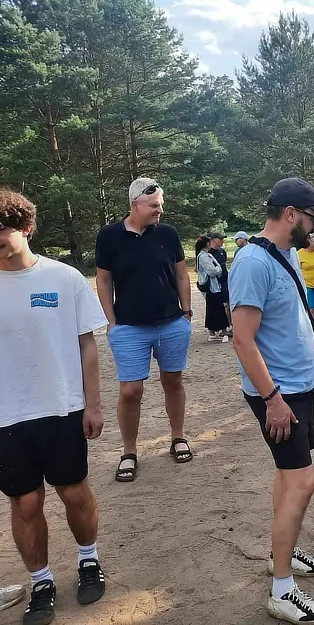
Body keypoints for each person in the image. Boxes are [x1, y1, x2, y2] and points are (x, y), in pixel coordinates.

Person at [0, 186, 108, 625]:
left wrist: (93, 405)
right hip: (2, 415)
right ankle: (41, 582)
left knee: (74, 492)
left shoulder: (64, 278)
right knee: (25, 503)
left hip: (62, 407)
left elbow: (87, 345)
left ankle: (89, 559)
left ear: (25, 226)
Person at [229, 177, 314, 625]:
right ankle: (282, 591)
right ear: (290, 214)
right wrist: (272, 398)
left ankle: (282, 556)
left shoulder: (285, 252)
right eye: (311, 219)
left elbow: (289, 322)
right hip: (279, 394)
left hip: (295, 386)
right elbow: (242, 338)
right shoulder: (253, 262)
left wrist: (310, 371)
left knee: (287, 476)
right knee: (302, 482)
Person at [95, 177, 194, 483]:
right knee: (130, 391)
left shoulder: (168, 233)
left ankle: (178, 436)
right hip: (129, 327)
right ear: (135, 204)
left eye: (160, 205)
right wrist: (111, 321)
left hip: (172, 323)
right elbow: (103, 280)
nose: (159, 210)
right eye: (154, 205)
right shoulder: (109, 236)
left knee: (173, 382)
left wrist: (187, 314)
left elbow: (181, 274)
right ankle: (129, 451)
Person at [196, 236, 229, 343]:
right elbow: (212, 271)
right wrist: (219, 269)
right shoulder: (203, 256)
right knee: (219, 308)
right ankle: (223, 331)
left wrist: (217, 268)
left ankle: (212, 333)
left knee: (212, 309)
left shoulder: (207, 255)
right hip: (211, 287)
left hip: (213, 286)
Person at [207, 232, 231, 332]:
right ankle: (219, 327)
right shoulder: (208, 253)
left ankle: (229, 325)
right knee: (218, 305)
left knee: (228, 302)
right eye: (220, 239)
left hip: (225, 280)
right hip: (215, 283)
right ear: (213, 240)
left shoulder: (222, 251)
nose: (222, 241)